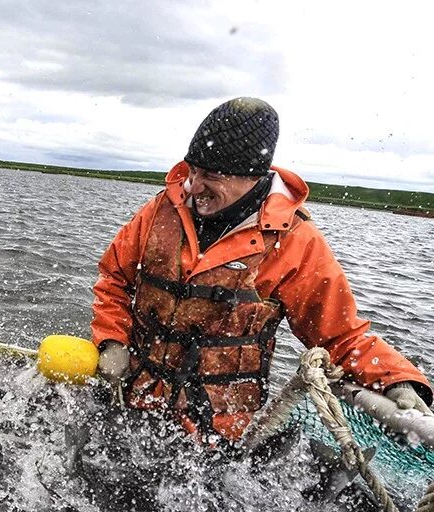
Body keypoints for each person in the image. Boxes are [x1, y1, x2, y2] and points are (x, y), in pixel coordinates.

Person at [91, 97, 432, 442]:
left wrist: (396, 380)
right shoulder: (160, 210)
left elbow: (340, 336)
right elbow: (113, 280)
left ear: (251, 177)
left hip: (216, 440)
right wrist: (110, 341)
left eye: (209, 176)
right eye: (192, 170)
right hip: (129, 403)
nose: (193, 186)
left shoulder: (296, 241)